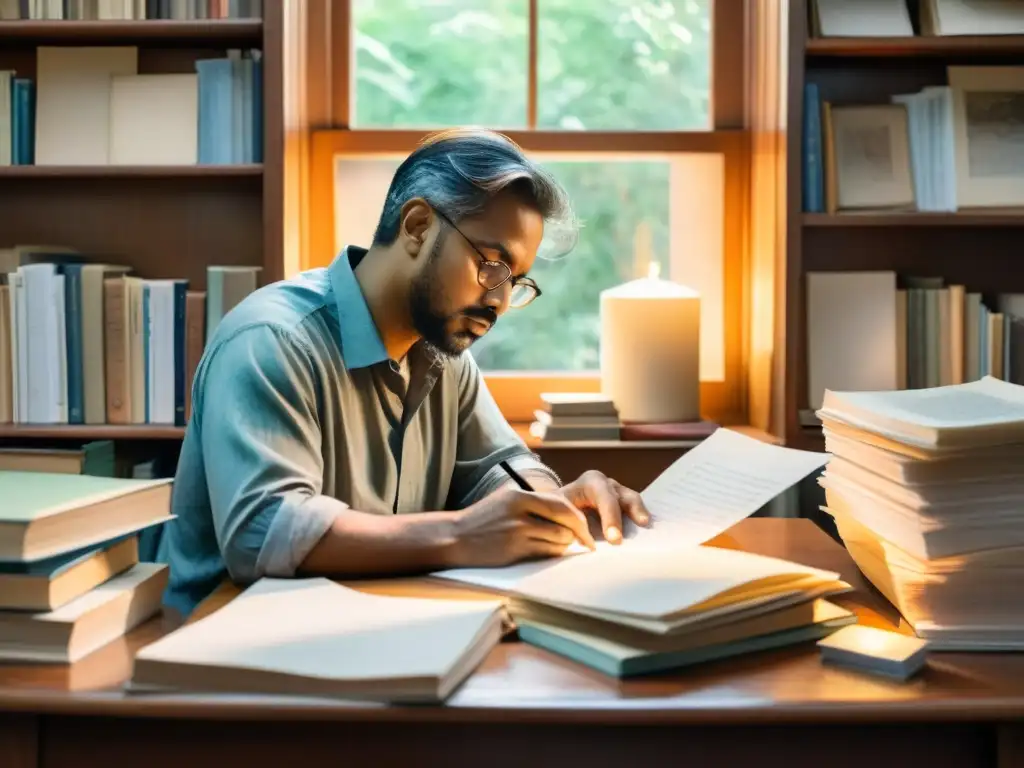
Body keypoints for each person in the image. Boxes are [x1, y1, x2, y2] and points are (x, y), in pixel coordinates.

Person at [157, 127, 651, 616]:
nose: (500, 300)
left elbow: (498, 468)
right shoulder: (271, 339)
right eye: (492, 265)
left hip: (366, 630)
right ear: (417, 226)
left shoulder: (443, 355)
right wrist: (460, 535)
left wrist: (551, 507)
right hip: (226, 655)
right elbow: (262, 534)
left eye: (516, 281)